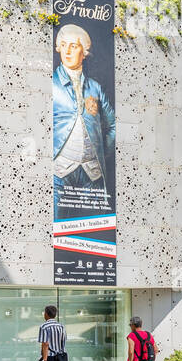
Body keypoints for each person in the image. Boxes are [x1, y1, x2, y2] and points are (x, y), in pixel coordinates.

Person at [52, 24, 117, 222]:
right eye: (64, 45)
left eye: (74, 46)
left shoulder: (95, 88)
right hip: (59, 172)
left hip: (93, 174)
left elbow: (113, 125)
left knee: (96, 232)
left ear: (84, 52)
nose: (68, 51)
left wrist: (100, 152)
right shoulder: (51, 84)